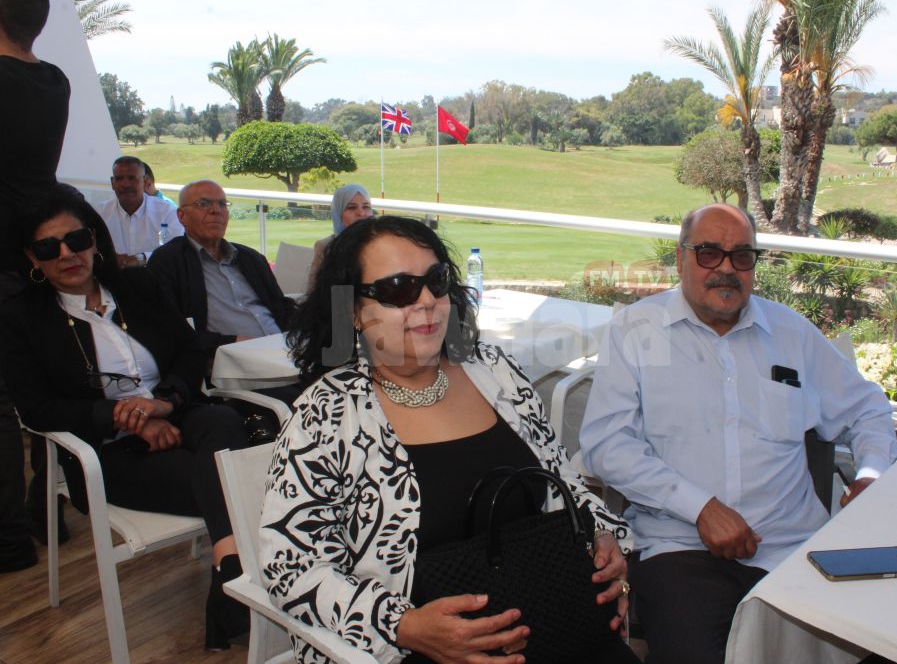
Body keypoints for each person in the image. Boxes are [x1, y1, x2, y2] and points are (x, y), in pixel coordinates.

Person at [259, 216, 639, 664]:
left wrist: (603, 536)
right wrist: (405, 626)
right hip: (413, 651)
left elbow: (563, 480)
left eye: (436, 281)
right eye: (399, 288)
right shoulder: (329, 413)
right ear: (353, 311)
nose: (426, 301)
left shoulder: (495, 372)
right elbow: (291, 568)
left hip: (554, 620)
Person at [579, 204, 897, 664]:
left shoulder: (791, 333)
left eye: (742, 256)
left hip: (792, 546)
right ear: (681, 259)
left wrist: (871, 473)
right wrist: (701, 508)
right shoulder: (634, 332)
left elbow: (866, 408)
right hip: (680, 548)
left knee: (882, 645)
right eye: (709, 253)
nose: (726, 268)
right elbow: (606, 444)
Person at [0, 186, 251, 650]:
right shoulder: (22, 319)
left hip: (176, 413)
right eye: (47, 248)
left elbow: (189, 350)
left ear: (94, 239)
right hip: (106, 451)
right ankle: (234, 582)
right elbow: (37, 408)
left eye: (76, 240)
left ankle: (229, 576)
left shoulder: (138, 287)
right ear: (32, 258)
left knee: (222, 422)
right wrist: (126, 417)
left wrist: (166, 402)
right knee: (237, 477)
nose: (66, 254)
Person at [0, 0, 70, 574]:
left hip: (2, 260)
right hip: (31, 259)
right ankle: (44, 511)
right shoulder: (54, 82)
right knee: (42, 389)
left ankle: (9, 539)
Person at [147, 179, 296, 359]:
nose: (216, 210)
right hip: (231, 361)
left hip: (286, 350)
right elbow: (170, 329)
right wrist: (231, 343)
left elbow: (281, 306)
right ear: (182, 216)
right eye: (203, 203)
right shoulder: (169, 261)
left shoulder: (250, 258)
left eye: (222, 204)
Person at [95, 155, 184, 268]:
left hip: (155, 277)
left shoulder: (166, 211)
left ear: (145, 181)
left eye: (132, 178)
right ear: (113, 183)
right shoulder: (99, 214)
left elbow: (178, 250)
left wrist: (142, 258)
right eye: (119, 178)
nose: (126, 184)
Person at [307, 183, 373, 287]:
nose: (361, 213)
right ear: (338, 213)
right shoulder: (327, 247)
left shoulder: (382, 244)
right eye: (352, 208)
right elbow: (313, 290)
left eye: (366, 207)